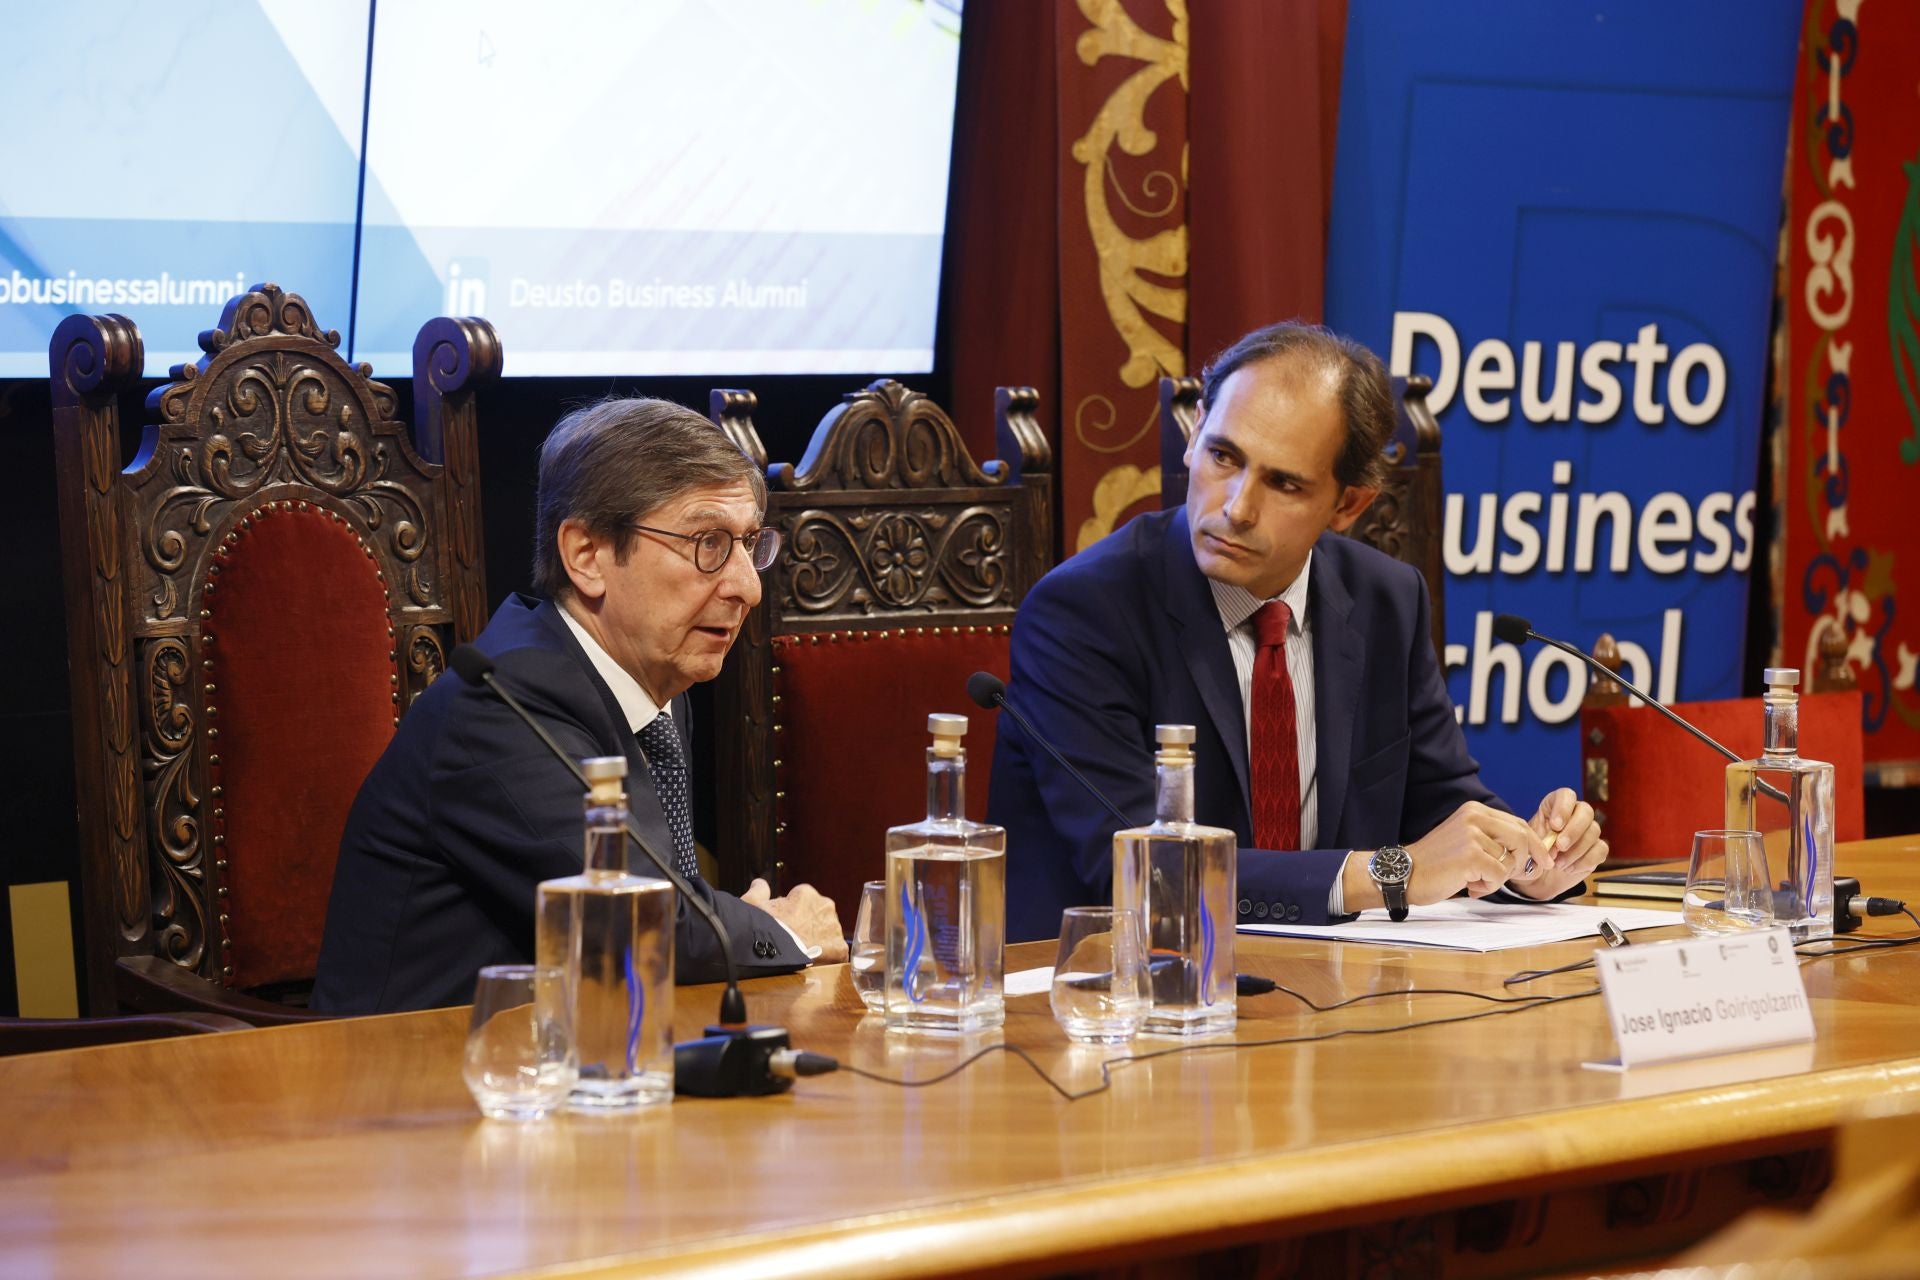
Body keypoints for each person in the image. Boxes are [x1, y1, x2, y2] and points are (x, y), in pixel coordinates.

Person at [988, 321, 1608, 943]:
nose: (1235, 507)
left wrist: (1527, 859)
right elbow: (1139, 867)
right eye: (1223, 456)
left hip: (1333, 991)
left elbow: (1440, 800)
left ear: (1348, 506)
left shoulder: (1385, 599)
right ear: (1195, 431)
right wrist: (1391, 874)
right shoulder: (1083, 612)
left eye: (1283, 483)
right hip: (1120, 993)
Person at [314, 397, 847, 1013]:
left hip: (583, 1056)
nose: (747, 586)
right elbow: (642, 921)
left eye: (750, 543)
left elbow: (665, 907)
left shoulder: (654, 684)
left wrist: (715, 928)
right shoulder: (503, 704)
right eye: (708, 543)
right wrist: (784, 933)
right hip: (415, 1079)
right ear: (587, 555)